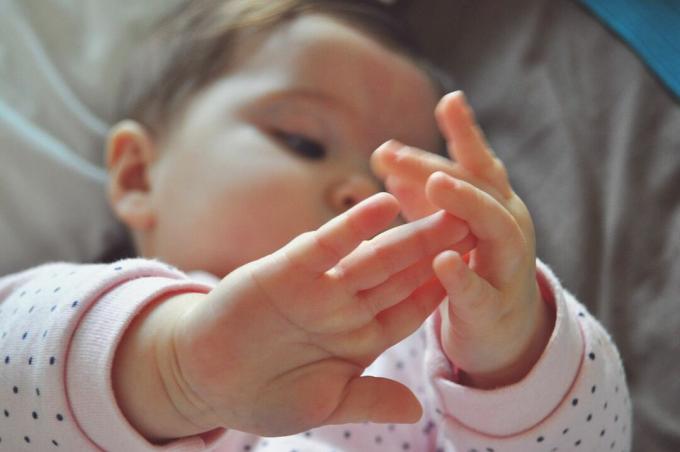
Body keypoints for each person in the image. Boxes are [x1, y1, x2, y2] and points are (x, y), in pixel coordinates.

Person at [0, 1, 631, 450]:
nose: (359, 190)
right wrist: (174, 372)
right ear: (139, 175)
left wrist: (512, 347)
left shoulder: (431, 360)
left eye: (394, 185)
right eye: (303, 141)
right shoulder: (89, 326)